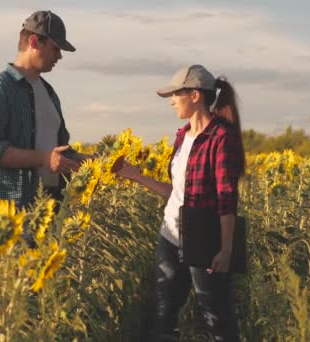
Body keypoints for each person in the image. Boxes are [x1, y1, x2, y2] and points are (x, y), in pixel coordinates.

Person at [117, 65, 245, 341]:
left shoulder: (221, 138)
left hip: (204, 239)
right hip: (170, 236)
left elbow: (226, 198)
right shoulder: (181, 136)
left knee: (215, 317)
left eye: (176, 94)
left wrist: (225, 249)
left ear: (195, 95)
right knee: (164, 315)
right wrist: (135, 176)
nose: (172, 101)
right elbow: (177, 192)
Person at [0, 10, 82, 210]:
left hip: (50, 208)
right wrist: (43, 159)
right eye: (55, 48)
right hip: (9, 213)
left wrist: (89, 161)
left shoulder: (49, 93)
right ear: (34, 42)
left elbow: (57, 149)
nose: (59, 56)